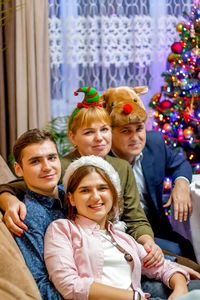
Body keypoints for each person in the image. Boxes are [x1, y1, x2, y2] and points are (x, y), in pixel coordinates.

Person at [44, 155, 200, 300]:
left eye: (102, 188)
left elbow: (164, 267)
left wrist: (180, 288)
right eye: (85, 190)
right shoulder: (62, 229)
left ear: (113, 195)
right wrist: (135, 297)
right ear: (71, 198)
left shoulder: (123, 239)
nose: (95, 197)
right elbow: (69, 284)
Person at [100, 85, 196, 261]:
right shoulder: (102, 161)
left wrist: (181, 183)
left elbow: (180, 163)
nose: (135, 137)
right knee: (181, 254)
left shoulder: (155, 143)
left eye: (139, 128)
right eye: (125, 131)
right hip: (123, 236)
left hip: (157, 227)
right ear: (110, 133)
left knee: (189, 247)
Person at [3, 129, 66, 299]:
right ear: (18, 169)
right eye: (35, 161)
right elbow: (40, 285)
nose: (47, 167)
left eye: (52, 158)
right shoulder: (27, 217)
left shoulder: (73, 196)